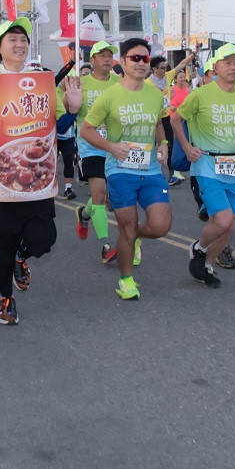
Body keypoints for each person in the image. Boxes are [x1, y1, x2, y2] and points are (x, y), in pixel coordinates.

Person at [0, 17, 80, 325]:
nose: (19, 44)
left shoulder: (42, 80)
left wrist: (72, 110)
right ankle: (6, 298)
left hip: (39, 179)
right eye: (12, 39)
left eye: (23, 39)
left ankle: (23, 257)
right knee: (3, 245)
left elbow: (58, 128)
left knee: (44, 239)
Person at [80, 38, 172, 300]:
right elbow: (86, 129)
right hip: (119, 170)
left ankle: (132, 237)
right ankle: (126, 279)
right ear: (123, 62)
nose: (142, 63)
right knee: (127, 226)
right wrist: (110, 146)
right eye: (136, 58)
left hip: (151, 168)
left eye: (146, 58)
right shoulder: (109, 96)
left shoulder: (156, 95)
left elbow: (157, 123)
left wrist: (163, 143)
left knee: (160, 226)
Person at [171, 43, 235, 288]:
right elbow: (176, 119)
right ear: (216, 66)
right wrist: (188, 147)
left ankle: (206, 263)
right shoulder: (201, 94)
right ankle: (198, 248)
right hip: (207, 165)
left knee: (230, 225)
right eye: (228, 63)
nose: (234, 67)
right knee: (221, 221)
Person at [72, 41, 120, 264]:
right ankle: (106, 245)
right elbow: (69, 108)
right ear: (92, 60)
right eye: (102, 55)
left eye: (110, 55)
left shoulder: (120, 84)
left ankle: (83, 214)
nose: (107, 59)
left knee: (103, 193)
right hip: (89, 146)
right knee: (99, 194)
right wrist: (70, 102)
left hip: (114, 147)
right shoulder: (81, 83)